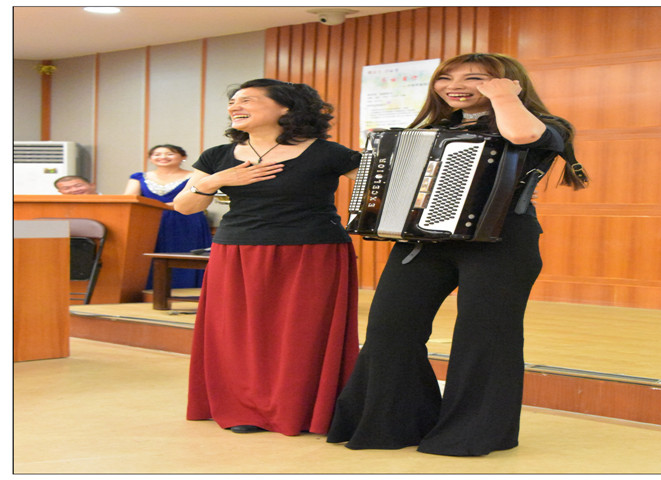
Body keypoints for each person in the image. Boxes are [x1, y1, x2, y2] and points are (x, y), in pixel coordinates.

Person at [326, 53, 588, 456]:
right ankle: (393, 425)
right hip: (421, 244)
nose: (454, 86)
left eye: (474, 78)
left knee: (484, 339)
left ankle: (472, 433)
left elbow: (521, 136)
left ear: (508, 82)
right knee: (389, 329)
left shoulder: (546, 126)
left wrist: (503, 96)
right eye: (445, 78)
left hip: (501, 245)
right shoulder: (431, 130)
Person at [173, 79, 361, 436]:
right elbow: (184, 206)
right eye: (233, 101)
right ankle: (245, 407)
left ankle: (303, 408)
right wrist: (215, 181)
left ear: (285, 107)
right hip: (237, 252)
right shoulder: (217, 156)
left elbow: (383, 188)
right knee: (238, 336)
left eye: (247, 100)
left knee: (302, 335)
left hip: (312, 252)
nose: (235, 106)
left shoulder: (328, 152)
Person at [124, 144, 212, 289]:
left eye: (170, 154)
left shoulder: (194, 176)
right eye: (157, 154)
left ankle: (188, 289)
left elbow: (197, 198)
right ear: (150, 158)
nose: (163, 157)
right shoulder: (138, 177)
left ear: (183, 157)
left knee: (184, 255)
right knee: (149, 256)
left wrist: (162, 206)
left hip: (186, 220)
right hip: (150, 222)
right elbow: (129, 199)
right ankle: (150, 292)